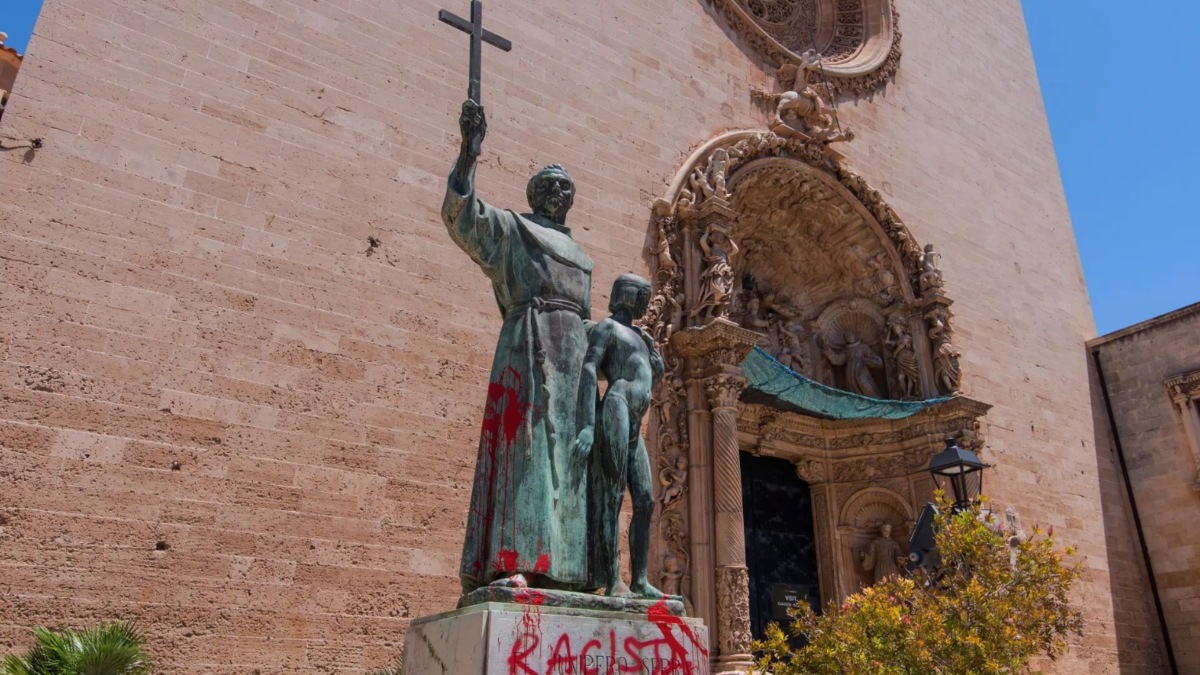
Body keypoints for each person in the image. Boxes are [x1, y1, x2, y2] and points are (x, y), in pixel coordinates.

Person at [443, 100, 594, 593]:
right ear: (533, 194)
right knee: (524, 450)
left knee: (570, 460)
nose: (556, 191)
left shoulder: (584, 258)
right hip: (528, 346)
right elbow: (465, 220)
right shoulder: (513, 228)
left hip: (573, 360)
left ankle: (569, 569)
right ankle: (515, 558)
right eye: (547, 185)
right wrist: (469, 155)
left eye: (564, 186)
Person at [574, 274, 664, 598]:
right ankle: (612, 579)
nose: (646, 303)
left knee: (646, 499)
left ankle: (639, 579)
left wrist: (658, 365)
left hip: (636, 419)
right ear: (632, 295)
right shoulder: (607, 328)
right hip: (617, 405)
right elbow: (588, 368)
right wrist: (587, 424)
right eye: (645, 296)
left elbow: (650, 374)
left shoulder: (643, 337)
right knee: (612, 495)